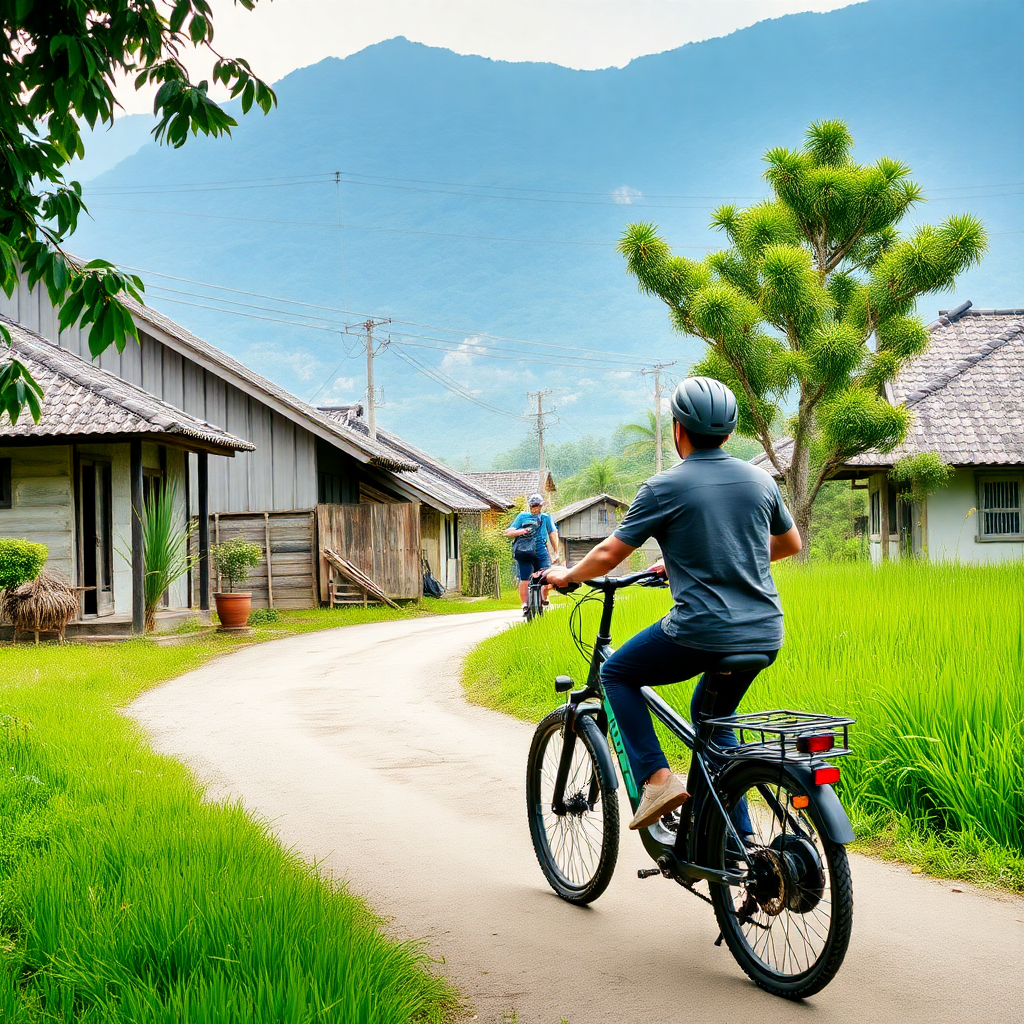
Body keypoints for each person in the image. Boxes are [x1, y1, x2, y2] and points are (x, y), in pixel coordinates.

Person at [540, 377, 802, 831]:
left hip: (701, 630)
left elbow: (607, 555)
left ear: (679, 429)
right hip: (765, 632)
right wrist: (684, 561)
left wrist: (565, 574)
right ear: (728, 431)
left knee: (616, 672)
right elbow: (787, 544)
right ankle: (734, 843)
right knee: (714, 723)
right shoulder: (761, 480)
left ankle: (657, 780)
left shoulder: (664, 486)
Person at [505, 493, 560, 614]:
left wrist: (556, 551)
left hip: (525, 550)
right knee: (540, 576)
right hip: (535, 550)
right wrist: (556, 552)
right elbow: (553, 534)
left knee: (531, 577)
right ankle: (535, 600)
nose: (535, 508)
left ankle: (528, 602)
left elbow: (553, 533)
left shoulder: (525, 516)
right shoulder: (542, 517)